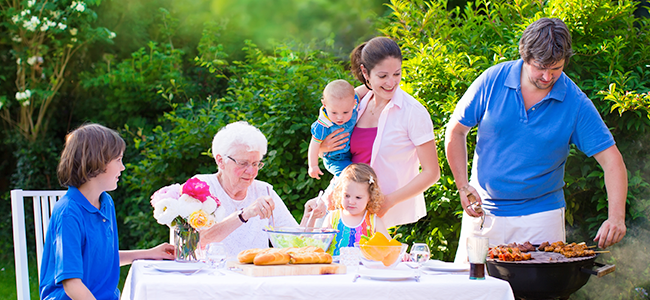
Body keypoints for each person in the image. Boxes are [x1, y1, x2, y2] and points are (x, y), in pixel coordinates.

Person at [444, 18, 627, 263]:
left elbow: (612, 160)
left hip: (542, 219)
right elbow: (456, 131)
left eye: (556, 68)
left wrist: (616, 217)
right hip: (483, 214)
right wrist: (462, 185)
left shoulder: (575, 102)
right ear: (525, 56)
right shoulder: (492, 80)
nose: (547, 76)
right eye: (540, 67)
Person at [40, 123, 175, 300]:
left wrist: (151, 253)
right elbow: (71, 284)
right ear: (97, 161)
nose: (123, 167)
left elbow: (103, 259)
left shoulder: (105, 203)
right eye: (118, 160)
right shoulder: (68, 213)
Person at [319, 37, 441, 228]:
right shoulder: (356, 104)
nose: (391, 82)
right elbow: (326, 122)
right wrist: (322, 147)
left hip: (382, 214)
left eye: (397, 74)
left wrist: (390, 200)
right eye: (383, 76)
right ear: (365, 73)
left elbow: (432, 172)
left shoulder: (412, 112)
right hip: (344, 205)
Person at [196, 121, 326, 257]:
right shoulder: (201, 187)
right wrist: (244, 214)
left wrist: (308, 216)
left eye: (255, 164)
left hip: (255, 275)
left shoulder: (264, 191)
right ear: (220, 161)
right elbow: (198, 241)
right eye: (243, 163)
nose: (251, 171)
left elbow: (293, 246)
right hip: (212, 275)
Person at [321, 163, 389, 256]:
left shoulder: (374, 221)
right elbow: (320, 246)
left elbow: (389, 246)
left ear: (370, 197)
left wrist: (402, 254)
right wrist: (323, 237)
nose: (351, 201)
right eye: (347, 196)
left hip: (363, 269)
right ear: (340, 193)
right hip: (335, 268)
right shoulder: (332, 218)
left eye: (358, 197)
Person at [308, 79, 359, 179]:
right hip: (335, 159)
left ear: (354, 103)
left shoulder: (351, 104)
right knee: (349, 177)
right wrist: (313, 166)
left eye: (345, 112)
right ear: (324, 105)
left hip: (351, 152)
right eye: (334, 113)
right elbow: (314, 145)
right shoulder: (323, 125)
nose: (340, 117)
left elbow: (365, 90)